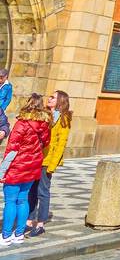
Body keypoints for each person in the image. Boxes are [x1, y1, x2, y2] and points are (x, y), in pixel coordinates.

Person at [1, 94, 51, 246]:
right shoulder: (44, 124)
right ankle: (19, 234)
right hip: (32, 166)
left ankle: (6, 235)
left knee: (10, 201)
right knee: (22, 200)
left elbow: (12, 147)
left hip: (17, 166)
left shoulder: (22, 124)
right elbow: (45, 143)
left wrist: (3, 168)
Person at [26, 90, 71, 236]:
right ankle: (29, 219)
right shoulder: (43, 114)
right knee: (31, 189)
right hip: (36, 157)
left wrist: (52, 165)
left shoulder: (64, 119)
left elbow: (60, 144)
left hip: (47, 160)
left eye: (53, 97)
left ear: (60, 101)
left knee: (42, 192)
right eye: (50, 96)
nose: (49, 98)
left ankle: (40, 224)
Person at [0, 68, 12, 143]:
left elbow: (8, 99)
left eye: (1, 77)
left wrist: (2, 108)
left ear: (6, 77)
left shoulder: (8, 86)